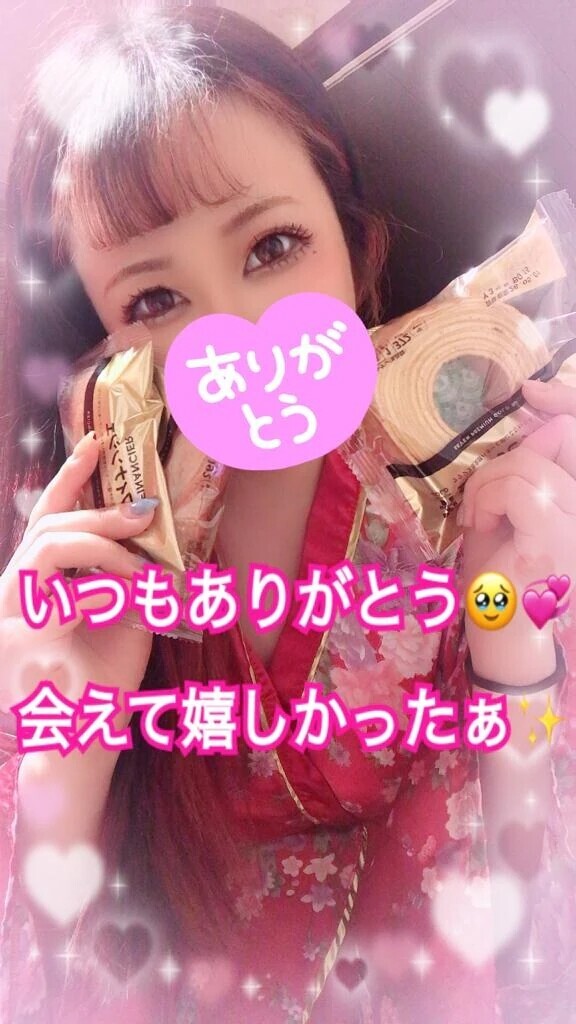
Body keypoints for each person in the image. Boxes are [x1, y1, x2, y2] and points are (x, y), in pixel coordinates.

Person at [1, 6, 576, 1024]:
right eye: (152, 302)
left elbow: (537, 900)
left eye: (273, 245)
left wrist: (509, 634)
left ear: (356, 248)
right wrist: (69, 738)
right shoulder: (74, 585)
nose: (235, 327)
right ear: (92, 358)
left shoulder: (465, 473)